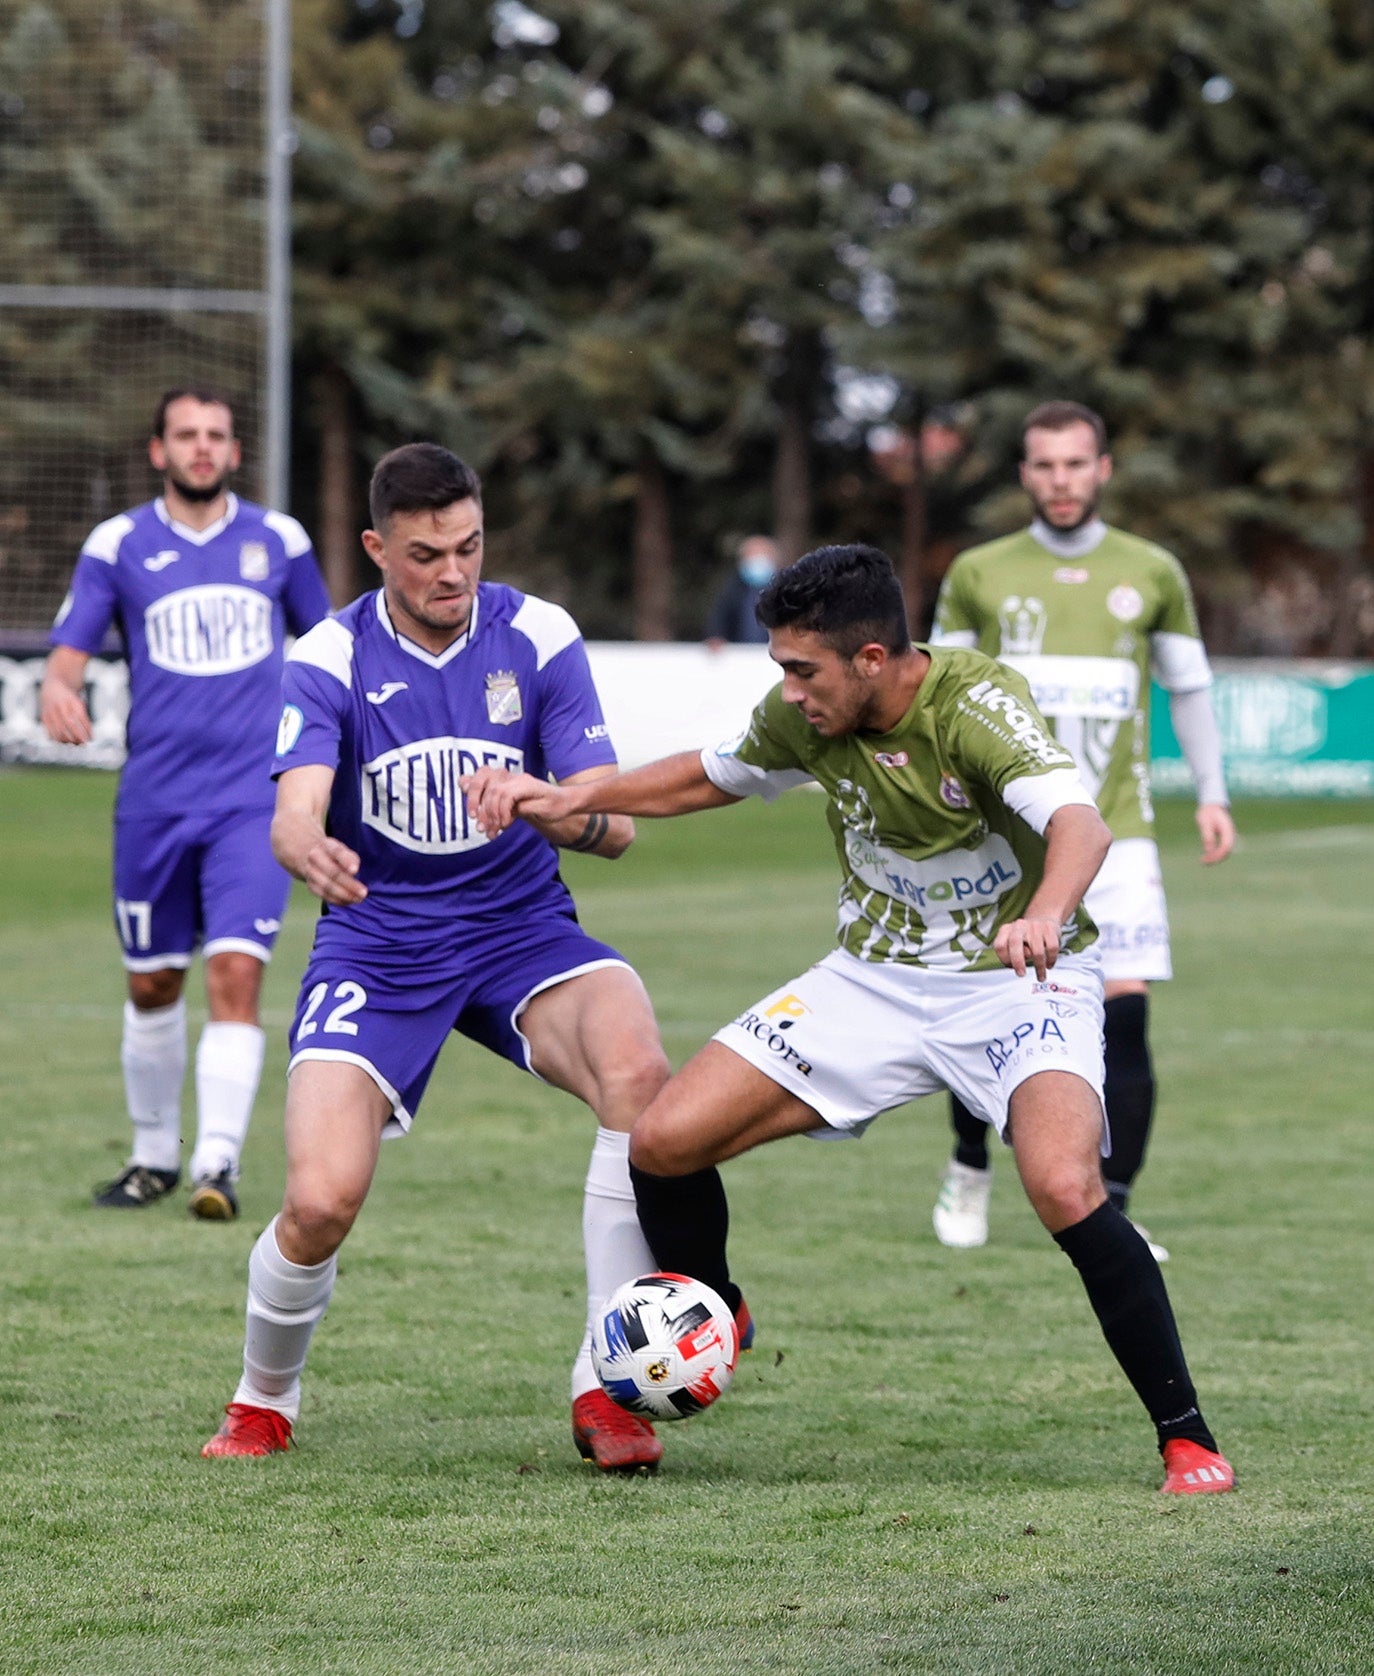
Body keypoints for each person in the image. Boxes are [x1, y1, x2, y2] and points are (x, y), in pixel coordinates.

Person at [465, 543, 1235, 1495]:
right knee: (661, 1140)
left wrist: (1042, 912)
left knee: (1065, 1187)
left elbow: (1082, 824)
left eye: (802, 669)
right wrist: (573, 791)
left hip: (1016, 983)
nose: (788, 691)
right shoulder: (807, 715)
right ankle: (722, 1308)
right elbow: (713, 775)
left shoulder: (974, 705)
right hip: (870, 982)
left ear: (873, 660)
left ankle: (1187, 1437)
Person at [201, 442, 709, 1473]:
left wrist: (552, 805)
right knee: (320, 1199)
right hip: (378, 942)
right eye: (427, 553)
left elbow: (613, 823)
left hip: (520, 928)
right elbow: (294, 812)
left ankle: (606, 1385)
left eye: (470, 546)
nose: (453, 573)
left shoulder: (539, 634)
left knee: (638, 1070)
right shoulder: (330, 656)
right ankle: (264, 1396)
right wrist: (304, 845)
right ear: (378, 548)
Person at [927, 401, 1234, 1258]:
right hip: (1003, 834)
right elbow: (931, 692)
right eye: (1044, 465)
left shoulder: (1154, 571)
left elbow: (1190, 688)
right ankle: (968, 1167)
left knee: (1125, 1017)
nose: (1060, 480)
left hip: (1119, 831)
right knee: (988, 1001)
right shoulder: (979, 573)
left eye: (1075, 464)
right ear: (1024, 474)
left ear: (1103, 469)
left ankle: (1118, 1205)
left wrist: (1212, 793)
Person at [41, 387, 331, 1221]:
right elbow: (68, 656)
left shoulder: (279, 541)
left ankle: (218, 1164)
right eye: (185, 435)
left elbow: (327, 650)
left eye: (216, 435)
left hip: (252, 801)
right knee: (154, 986)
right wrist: (61, 692)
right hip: (154, 802)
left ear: (236, 452)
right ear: (158, 450)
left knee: (235, 974)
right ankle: (151, 1156)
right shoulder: (118, 543)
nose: (201, 448)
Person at [704, 535, 780, 647]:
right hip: (739, 657)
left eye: (762, 556)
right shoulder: (732, 590)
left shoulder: (786, 591)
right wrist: (716, 637)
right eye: (753, 557)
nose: (757, 562)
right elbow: (719, 621)